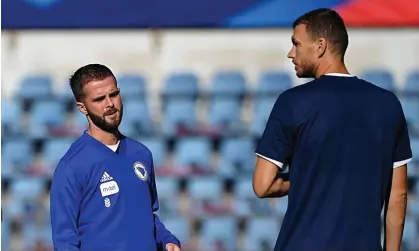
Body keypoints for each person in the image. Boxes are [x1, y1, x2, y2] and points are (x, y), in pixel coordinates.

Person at [252, 8, 412, 251]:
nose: (290, 53)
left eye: (296, 43)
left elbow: (262, 185)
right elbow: (398, 196)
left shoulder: (293, 102)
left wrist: (300, 179)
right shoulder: (389, 104)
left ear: (320, 46)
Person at [50, 64, 181, 251]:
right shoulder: (71, 166)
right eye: (99, 99)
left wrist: (167, 239)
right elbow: (64, 241)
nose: (109, 104)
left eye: (114, 94)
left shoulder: (141, 154)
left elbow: (147, 215)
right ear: (82, 107)